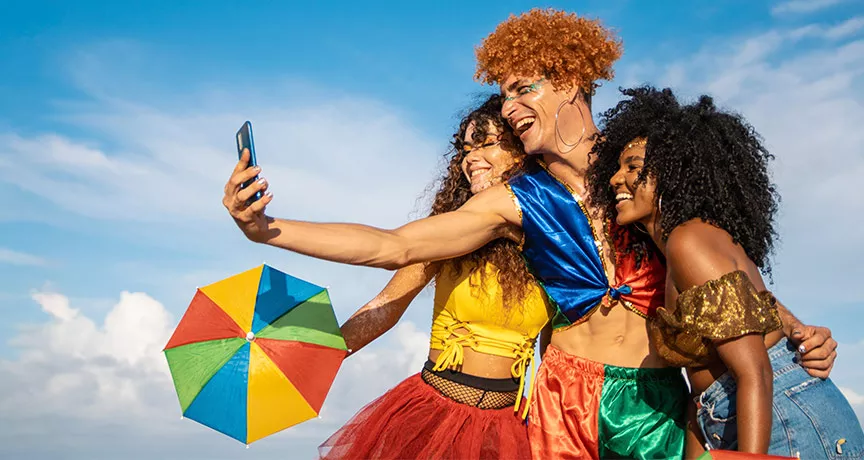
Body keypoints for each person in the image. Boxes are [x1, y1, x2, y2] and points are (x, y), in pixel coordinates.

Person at [221, 8, 838, 459]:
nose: (510, 106)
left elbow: (714, 261)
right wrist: (266, 230)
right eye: (503, 93)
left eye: (523, 88)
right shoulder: (515, 200)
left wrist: (793, 325)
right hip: (561, 401)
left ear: (570, 81)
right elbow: (396, 245)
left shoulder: (638, 170)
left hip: (655, 402)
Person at [586, 85, 864, 458]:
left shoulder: (689, 240)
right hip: (738, 414)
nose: (615, 179)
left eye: (633, 167)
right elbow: (706, 387)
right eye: (618, 167)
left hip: (783, 416)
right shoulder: (682, 246)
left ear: (673, 172)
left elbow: (755, 371)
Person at [317, 94, 554, 460]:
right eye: (465, 150)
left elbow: (554, 348)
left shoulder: (553, 241)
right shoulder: (445, 234)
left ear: (521, 151)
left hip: (512, 428)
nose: (470, 158)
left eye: (486, 144)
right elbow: (385, 307)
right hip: (434, 416)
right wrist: (319, 355)